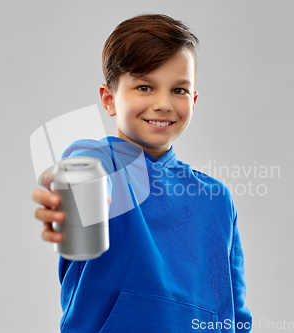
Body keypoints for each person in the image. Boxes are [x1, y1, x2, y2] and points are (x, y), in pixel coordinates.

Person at [31, 13, 252, 332]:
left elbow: (235, 310)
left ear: (194, 99)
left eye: (179, 90)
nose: (163, 103)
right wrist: (73, 191)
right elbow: (83, 166)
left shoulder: (216, 198)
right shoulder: (101, 166)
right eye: (145, 87)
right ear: (109, 100)